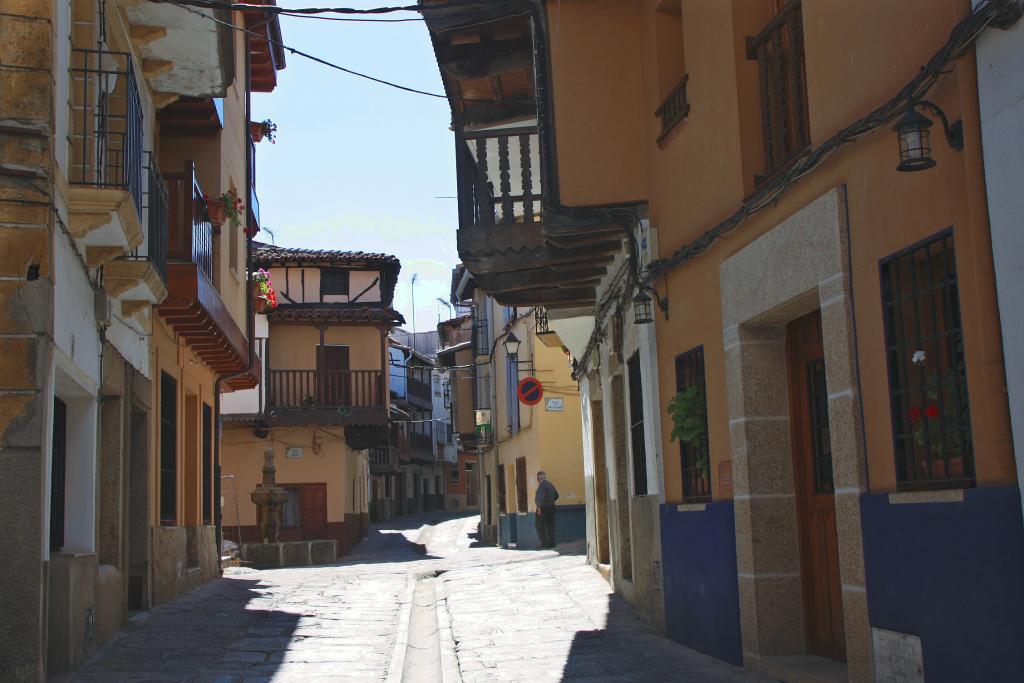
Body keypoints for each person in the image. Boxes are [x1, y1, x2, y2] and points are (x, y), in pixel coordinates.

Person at [534, 471, 559, 549]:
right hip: (552, 507)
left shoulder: (541, 485)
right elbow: (557, 495)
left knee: (539, 525)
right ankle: (552, 543)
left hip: (543, 508)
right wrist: (551, 501)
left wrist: (539, 507)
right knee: (551, 525)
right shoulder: (550, 484)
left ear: (538, 478)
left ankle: (543, 543)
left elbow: (541, 497)